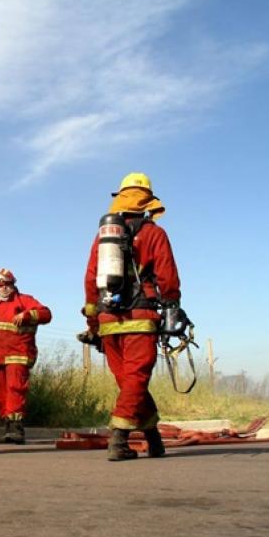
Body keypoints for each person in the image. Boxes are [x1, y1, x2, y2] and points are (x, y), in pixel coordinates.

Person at [82, 172, 181, 460]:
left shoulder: (104, 236)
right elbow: (168, 277)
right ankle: (118, 439)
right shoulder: (154, 234)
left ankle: (154, 438)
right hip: (141, 316)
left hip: (109, 320)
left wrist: (93, 321)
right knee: (136, 378)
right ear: (147, 200)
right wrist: (172, 305)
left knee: (130, 380)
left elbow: (91, 279)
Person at [0, 269, 52, 444]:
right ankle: (7, 427)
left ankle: (16, 428)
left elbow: (46, 314)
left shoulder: (25, 301)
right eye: (0, 285)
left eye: (7, 285)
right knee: (1, 393)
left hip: (18, 355)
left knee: (15, 389)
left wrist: (27, 315)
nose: (4, 289)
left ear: (13, 285)